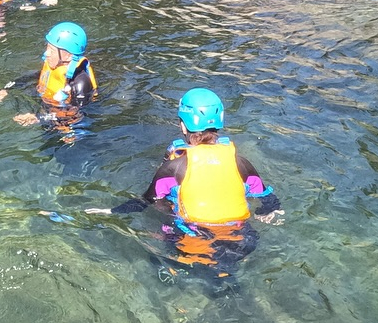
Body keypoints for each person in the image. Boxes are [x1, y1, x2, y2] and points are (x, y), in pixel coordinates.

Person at [102, 88, 281, 281]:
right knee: (224, 273)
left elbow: (145, 201)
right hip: (243, 239)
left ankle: (173, 273)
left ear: (183, 126)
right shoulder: (240, 163)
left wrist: (110, 211)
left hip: (192, 238)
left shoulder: (174, 168)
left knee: (159, 240)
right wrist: (266, 212)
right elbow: (268, 198)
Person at [0, 21, 97, 128]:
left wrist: (39, 118)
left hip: (71, 126)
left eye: (52, 50)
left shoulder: (81, 82)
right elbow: (32, 77)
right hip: (48, 109)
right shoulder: (53, 66)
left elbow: (76, 115)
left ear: (68, 56)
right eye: (47, 47)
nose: (47, 53)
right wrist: (6, 89)